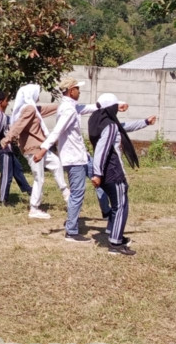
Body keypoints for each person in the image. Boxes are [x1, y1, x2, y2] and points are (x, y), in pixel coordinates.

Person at [90, 93, 156, 256]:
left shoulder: (96, 121)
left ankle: (114, 233)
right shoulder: (111, 126)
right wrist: (97, 173)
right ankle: (115, 244)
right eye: (115, 106)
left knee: (117, 204)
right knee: (121, 206)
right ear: (111, 108)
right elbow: (102, 150)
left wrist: (145, 122)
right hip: (112, 172)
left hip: (105, 172)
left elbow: (124, 127)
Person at [33, 77, 97, 242]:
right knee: (77, 194)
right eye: (77, 89)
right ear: (71, 91)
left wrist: (113, 104)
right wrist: (43, 150)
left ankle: (108, 213)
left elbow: (89, 107)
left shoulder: (71, 107)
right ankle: (71, 231)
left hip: (81, 156)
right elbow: (57, 131)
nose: (79, 92)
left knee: (99, 180)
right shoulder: (68, 110)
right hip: (74, 159)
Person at [0, 84, 69, 219]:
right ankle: (34, 208)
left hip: (40, 147)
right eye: (37, 93)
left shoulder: (33, 109)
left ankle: (66, 194)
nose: (38, 96)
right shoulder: (29, 109)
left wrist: (67, 105)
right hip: (33, 149)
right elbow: (18, 125)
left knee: (56, 164)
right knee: (39, 178)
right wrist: (7, 138)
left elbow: (49, 109)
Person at [0, 91, 32, 207]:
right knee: (6, 175)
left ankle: (30, 191)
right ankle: (3, 200)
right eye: (6, 100)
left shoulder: (3, 116)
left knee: (17, 169)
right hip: (4, 149)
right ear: (1, 102)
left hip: (8, 149)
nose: (8, 103)